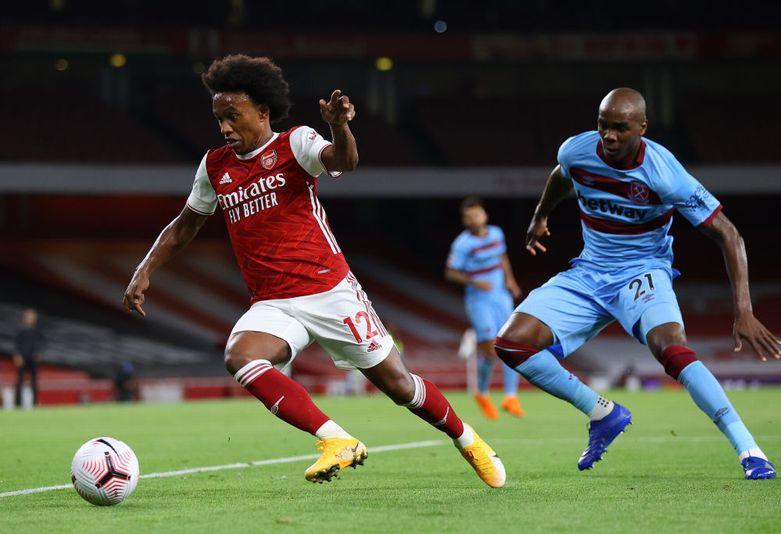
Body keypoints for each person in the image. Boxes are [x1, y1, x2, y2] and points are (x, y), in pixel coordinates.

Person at [123, 54, 504, 487]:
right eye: (219, 120)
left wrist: (340, 127)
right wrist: (144, 270)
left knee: (400, 386)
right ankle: (336, 439)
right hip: (272, 302)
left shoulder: (296, 143)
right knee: (240, 357)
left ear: (262, 111)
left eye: (233, 116)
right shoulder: (215, 167)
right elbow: (184, 225)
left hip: (329, 290)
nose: (225, 128)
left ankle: (468, 439)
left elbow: (345, 160)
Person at [494, 88, 781, 480]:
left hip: (642, 272)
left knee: (671, 348)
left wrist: (744, 311)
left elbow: (728, 233)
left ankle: (750, 450)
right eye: (603, 126)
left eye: (620, 128)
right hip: (590, 272)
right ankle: (602, 413)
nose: (609, 136)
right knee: (511, 343)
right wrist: (540, 215)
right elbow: (563, 175)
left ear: (642, 128)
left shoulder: (664, 172)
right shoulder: (576, 151)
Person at [446, 197, 524, 419]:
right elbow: (450, 272)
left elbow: (502, 257)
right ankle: (481, 392)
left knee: (511, 344)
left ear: (485, 215)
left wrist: (511, 280)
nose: (474, 219)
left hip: (501, 297)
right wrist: (473, 281)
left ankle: (511, 397)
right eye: (469, 217)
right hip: (479, 301)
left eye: (477, 214)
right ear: (465, 221)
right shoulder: (462, 244)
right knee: (490, 350)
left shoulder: (496, 233)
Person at [13, 308, 45, 407]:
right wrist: (17, 355)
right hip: (22, 358)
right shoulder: (20, 330)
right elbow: (16, 344)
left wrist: (39, 353)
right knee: (20, 381)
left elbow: (41, 343)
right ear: (24, 318)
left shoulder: (38, 331)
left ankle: (34, 403)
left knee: (34, 381)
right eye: (28, 317)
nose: (30, 319)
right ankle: (18, 404)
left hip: (33, 358)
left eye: (32, 317)